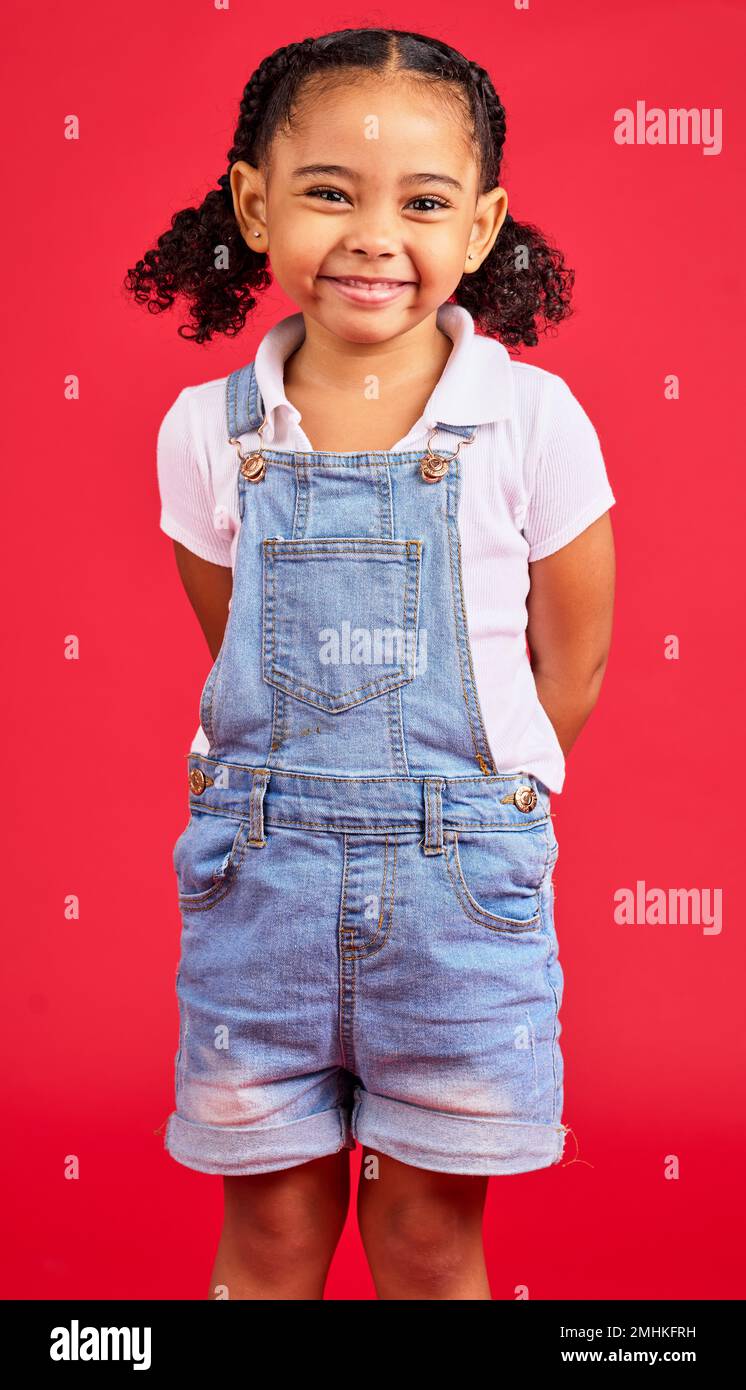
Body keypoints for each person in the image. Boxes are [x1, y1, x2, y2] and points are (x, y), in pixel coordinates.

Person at [125, 26, 616, 1301]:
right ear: (254, 202)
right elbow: (237, 643)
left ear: (483, 221)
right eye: (329, 191)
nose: (372, 234)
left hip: (461, 903)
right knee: (276, 1240)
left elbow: (573, 660)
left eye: (423, 201)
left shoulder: (528, 418)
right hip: (262, 885)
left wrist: (471, 803)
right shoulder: (205, 431)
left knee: (424, 1242)